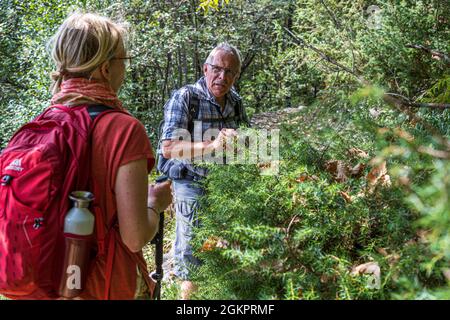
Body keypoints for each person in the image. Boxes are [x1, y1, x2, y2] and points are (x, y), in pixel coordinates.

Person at [49, 12, 172, 299]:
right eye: (123, 61)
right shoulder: (124, 131)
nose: (124, 71)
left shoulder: (46, 122)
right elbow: (134, 238)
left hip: (49, 282)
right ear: (105, 69)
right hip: (107, 285)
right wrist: (154, 204)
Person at [160, 43, 248, 299]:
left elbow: (248, 140)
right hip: (191, 181)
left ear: (236, 76)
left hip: (225, 183)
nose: (223, 77)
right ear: (205, 68)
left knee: (231, 246)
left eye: (230, 72)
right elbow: (169, 148)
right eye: (218, 69)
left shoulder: (235, 101)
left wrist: (242, 141)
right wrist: (213, 145)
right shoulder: (186, 97)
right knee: (191, 253)